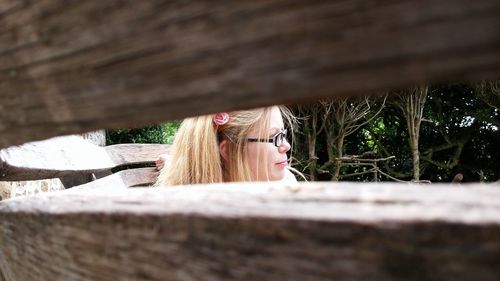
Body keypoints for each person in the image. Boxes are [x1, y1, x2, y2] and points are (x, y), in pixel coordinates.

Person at [155, 105, 300, 186]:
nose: (286, 146)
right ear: (228, 151)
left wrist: (170, 164)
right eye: (272, 137)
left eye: (282, 134)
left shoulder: (285, 181)